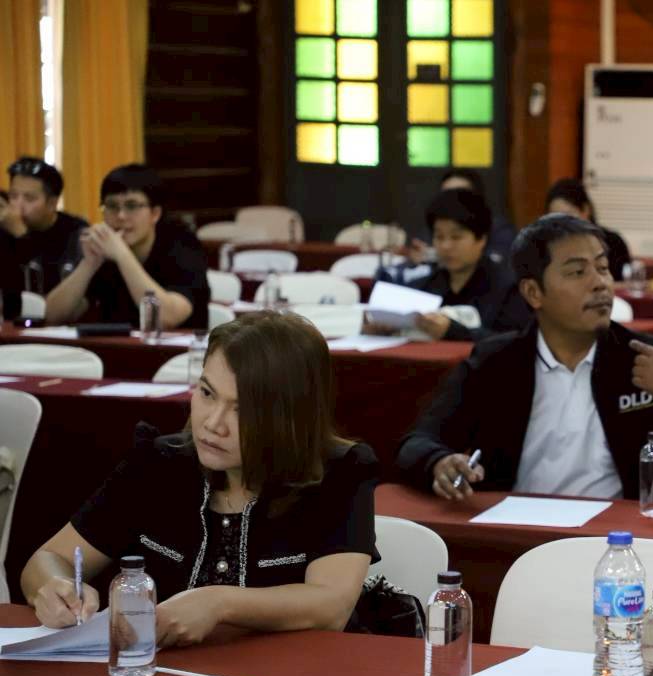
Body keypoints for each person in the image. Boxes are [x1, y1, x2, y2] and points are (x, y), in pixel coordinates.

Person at [21, 311, 379, 645]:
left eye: (243, 410)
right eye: (207, 393)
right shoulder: (157, 462)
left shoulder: (340, 471)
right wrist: (56, 587)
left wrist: (219, 603)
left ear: (291, 417)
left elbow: (331, 606)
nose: (213, 423)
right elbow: (49, 557)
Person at [397, 213, 653, 500]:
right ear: (533, 292)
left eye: (603, 268)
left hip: (615, 536)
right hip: (514, 530)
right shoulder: (497, 363)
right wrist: (439, 462)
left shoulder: (647, 359)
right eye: (577, 272)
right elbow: (417, 442)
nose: (600, 283)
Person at [43, 164, 209, 329]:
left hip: (179, 346)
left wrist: (122, 255)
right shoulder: (104, 252)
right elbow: (52, 316)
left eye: (132, 206)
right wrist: (89, 263)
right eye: (112, 206)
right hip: (115, 345)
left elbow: (166, 318)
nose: (121, 216)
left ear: (155, 214)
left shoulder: (183, 246)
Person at [370, 189, 530, 341]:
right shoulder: (423, 287)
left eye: (456, 237)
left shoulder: (509, 289)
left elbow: (515, 342)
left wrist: (453, 332)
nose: (446, 246)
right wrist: (385, 328)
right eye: (439, 237)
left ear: (481, 239)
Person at [4, 157, 87, 293]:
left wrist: (22, 236)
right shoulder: (5, 227)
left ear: (52, 203)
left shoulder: (76, 234)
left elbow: (44, 291)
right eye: (13, 196)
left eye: (29, 198)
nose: (17, 205)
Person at [408, 167, 517, 264]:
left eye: (460, 195)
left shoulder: (498, 228)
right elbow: (417, 251)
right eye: (447, 195)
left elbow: (497, 259)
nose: (452, 200)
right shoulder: (434, 226)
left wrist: (431, 256)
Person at [545, 178, 632, 283]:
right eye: (555, 218)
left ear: (585, 210)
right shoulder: (549, 247)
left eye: (568, 216)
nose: (562, 224)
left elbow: (625, 284)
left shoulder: (613, 242)